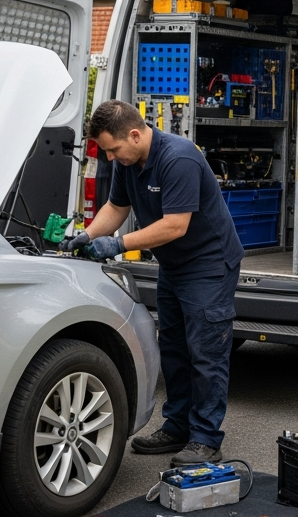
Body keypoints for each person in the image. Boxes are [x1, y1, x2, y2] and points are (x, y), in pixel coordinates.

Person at [64, 100, 243, 465]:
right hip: (175, 267)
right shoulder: (129, 162)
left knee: (205, 353)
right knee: (174, 350)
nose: (112, 158)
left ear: (134, 134)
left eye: (113, 149)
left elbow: (175, 225)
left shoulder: (178, 159)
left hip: (208, 265)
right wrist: (86, 236)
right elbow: (116, 207)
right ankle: (177, 428)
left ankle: (206, 438)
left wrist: (118, 244)